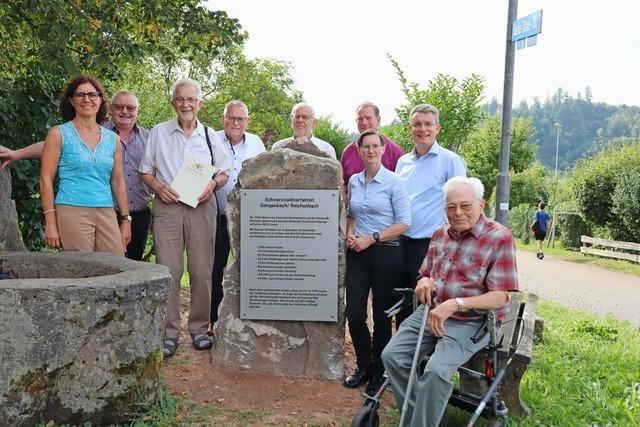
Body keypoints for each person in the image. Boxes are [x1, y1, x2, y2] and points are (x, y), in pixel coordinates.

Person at [381, 176, 519, 427]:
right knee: (392, 356)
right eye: (451, 207)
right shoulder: (440, 233)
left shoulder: (499, 237)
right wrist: (423, 281)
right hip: (433, 311)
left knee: (436, 371)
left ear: (481, 204)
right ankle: (418, 418)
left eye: (465, 206)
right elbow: (427, 273)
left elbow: (500, 297)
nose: (457, 213)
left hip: (473, 320)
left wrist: (456, 303)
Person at [0, 91, 152, 261]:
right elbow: (51, 146)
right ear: (110, 108)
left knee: (130, 267)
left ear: (137, 110)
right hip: (99, 209)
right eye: (119, 107)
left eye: (130, 107)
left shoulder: (150, 138)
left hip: (135, 214)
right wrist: (18, 153)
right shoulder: (96, 129)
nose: (125, 111)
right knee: (84, 265)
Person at [139, 78, 231, 358]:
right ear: (173, 103)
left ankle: (200, 329)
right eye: (180, 99)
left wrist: (211, 186)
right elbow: (145, 171)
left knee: (202, 270)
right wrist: (159, 188)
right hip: (167, 207)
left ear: (199, 103)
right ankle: (168, 333)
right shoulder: (159, 132)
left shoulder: (209, 136)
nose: (186, 104)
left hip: (202, 207)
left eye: (191, 99)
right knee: (169, 270)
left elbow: (224, 172)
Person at [344, 129, 411, 396]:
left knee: (383, 317)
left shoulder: (395, 182)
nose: (370, 151)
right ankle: (364, 365)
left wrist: (371, 238)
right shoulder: (355, 182)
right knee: (355, 314)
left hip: (386, 252)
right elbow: (351, 214)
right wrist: (350, 232)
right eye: (366, 147)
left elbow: (404, 223)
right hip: (358, 254)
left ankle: (378, 371)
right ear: (359, 151)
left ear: (383, 149)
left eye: (375, 146)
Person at [39, 75, 131, 255]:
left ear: (100, 100)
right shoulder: (58, 133)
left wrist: (126, 219)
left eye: (92, 95)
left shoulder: (113, 139)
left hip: (106, 210)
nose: (87, 99)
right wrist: (50, 222)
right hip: (72, 209)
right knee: (81, 271)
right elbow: (45, 180)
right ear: (72, 101)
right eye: (80, 95)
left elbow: (118, 182)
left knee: (115, 266)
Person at [394, 104, 467, 326]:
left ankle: (427, 360)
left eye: (428, 124)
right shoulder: (402, 162)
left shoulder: (450, 161)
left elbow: (461, 203)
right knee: (403, 306)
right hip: (400, 244)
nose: (422, 129)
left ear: (438, 128)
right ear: (410, 128)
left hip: (431, 246)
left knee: (429, 305)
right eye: (417, 124)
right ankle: (404, 359)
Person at [209, 100, 266, 335]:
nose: (235, 123)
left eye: (240, 119)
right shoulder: (210, 140)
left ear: (247, 121)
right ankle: (214, 320)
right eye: (231, 118)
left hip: (248, 220)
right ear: (223, 119)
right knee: (215, 269)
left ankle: (249, 319)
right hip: (217, 216)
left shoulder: (256, 143)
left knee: (251, 269)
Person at [340, 102, 404, 192]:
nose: (364, 122)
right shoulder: (348, 152)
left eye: (368, 118)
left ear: (378, 120)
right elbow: (345, 184)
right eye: (360, 119)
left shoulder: (395, 151)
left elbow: (402, 187)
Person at [271, 102, 336, 159]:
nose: (300, 120)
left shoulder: (326, 148)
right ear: (291, 122)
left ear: (314, 123)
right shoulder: (277, 146)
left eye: (305, 117)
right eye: (297, 116)